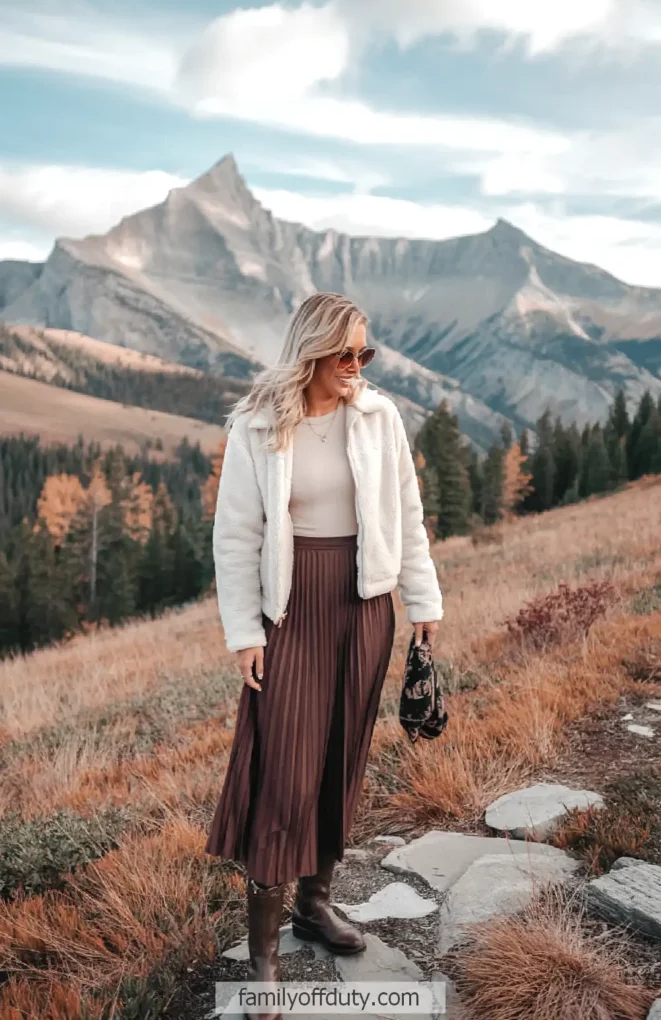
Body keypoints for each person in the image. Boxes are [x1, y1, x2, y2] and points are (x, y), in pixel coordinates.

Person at [205, 292, 443, 1020]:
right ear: (310, 351)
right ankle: (264, 956)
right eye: (344, 353)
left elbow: (406, 513)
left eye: (364, 353)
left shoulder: (378, 416)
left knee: (340, 759)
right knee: (282, 773)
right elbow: (236, 533)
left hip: (363, 606)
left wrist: (423, 603)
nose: (356, 366)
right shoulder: (256, 424)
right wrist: (245, 629)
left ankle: (314, 903)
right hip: (291, 610)